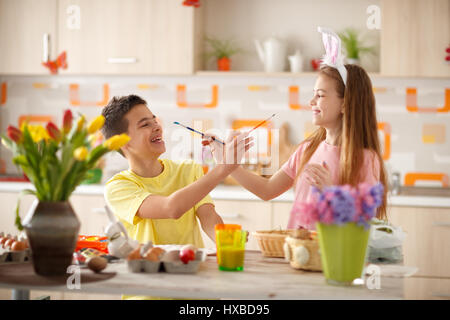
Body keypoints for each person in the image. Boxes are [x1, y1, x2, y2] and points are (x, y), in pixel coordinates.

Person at [204, 48, 387, 230]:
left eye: (320, 95)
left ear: (345, 104)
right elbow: (267, 189)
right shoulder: (308, 149)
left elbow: (364, 223)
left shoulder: (365, 159)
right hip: (297, 252)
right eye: (313, 94)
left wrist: (331, 194)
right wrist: (227, 164)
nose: (311, 101)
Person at [102, 95, 252, 299]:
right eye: (145, 124)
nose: (157, 126)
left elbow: (208, 216)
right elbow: (170, 209)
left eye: (155, 120)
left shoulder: (188, 169)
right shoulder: (119, 187)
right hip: (147, 292)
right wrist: (224, 169)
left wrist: (225, 242)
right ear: (123, 143)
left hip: (194, 288)